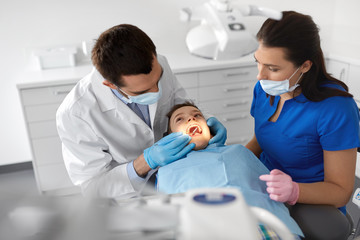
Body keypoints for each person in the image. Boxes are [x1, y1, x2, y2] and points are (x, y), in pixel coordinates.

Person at [56, 24, 226, 199]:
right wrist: (145, 163)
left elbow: (180, 103)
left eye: (158, 81)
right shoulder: (75, 114)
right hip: (130, 197)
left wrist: (207, 119)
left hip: (177, 175)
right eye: (142, 92)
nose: (156, 92)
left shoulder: (160, 64)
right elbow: (93, 187)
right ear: (110, 84)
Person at [245, 11, 360, 239]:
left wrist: (294, 190)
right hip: (266, 184)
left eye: (273, 68)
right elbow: (262, 138)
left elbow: (340, 191)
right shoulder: (265, 89)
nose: (260, 76)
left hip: (312, 199)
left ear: (305, 66)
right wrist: (231, 157)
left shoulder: (335, 108)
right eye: (258, 63)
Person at [156, 102, 304, 238]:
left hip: (260, 225)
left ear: (210, 128)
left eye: (197, 115)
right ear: (170, 137)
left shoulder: (238, 152)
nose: (191, 119)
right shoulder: (166, 171)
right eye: (179, 119)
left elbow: (267, 191)